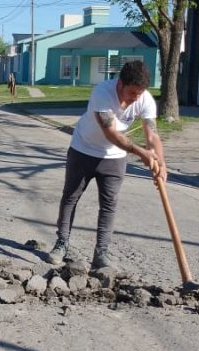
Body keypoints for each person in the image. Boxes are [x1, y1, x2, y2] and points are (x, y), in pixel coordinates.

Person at [47, 60, 166, 270]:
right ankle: (62, 243)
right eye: (132, 93)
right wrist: (141, 153)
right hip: (83, 149)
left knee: (109, 205)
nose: (135, 98)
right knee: (71, 197)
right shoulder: (102, 93)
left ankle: (101, 253)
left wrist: (161, 163)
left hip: (115, 158)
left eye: (139, 93)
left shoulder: (145, 99)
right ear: (120, 83)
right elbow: (110, 133)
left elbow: (152, 134)